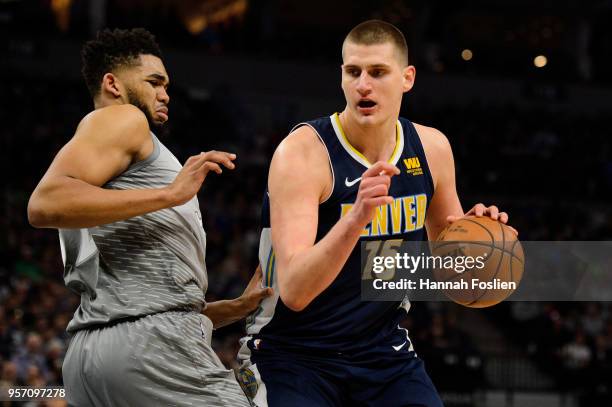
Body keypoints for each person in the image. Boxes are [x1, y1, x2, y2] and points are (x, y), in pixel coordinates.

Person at [238, 20, 516, 406]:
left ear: (407, 78)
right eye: (353, 72)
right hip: (292, 353)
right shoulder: (302, 154)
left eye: (378, 72)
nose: (363, 84)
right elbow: (297, 292)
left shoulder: (432, 148)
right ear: (341, 77)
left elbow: (449, 275)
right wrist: (355, 219)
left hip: (381, 352)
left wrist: (479, 239)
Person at [27, 28, 270, 406]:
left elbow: (139, 301)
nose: (165, 93)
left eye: (167, 85)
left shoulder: (102, 161)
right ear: (113, 83)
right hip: (151, 350)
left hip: (93, 355)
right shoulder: (124, 119)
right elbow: (43, 203)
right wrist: (170, 194)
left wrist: (235, 308)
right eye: (154, 82)